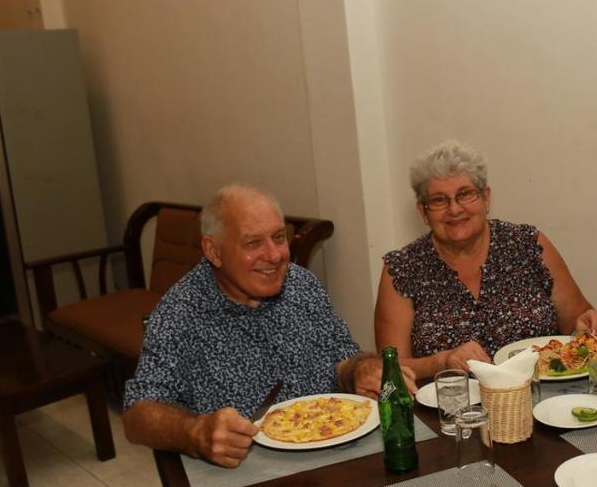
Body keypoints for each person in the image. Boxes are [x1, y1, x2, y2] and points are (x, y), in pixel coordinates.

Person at [122, 184, 411, 467]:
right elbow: (137, 414)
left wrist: (361, 369)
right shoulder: (181, 312)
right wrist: (194, 432)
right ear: (213, 250)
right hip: (247, 474)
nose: (274, 255)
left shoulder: (302, 284)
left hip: (334, 445)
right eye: (253, 243)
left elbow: (343, 359)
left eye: (278, 237)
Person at [375, 139, 597, 379]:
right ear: (422, 211)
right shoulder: (402, 269)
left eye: (465, 194)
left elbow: (577, 323)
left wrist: (590, 326)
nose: (454, 209)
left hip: (541, 400)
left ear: (486, 198)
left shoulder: (529, 244)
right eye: (439, 200)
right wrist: (441, 361)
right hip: (449, 408)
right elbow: (391, 368)